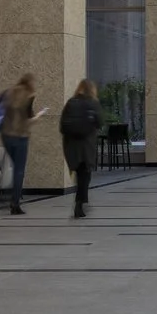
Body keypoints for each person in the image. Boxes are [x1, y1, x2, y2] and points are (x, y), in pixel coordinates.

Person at [0, 73, 46, 212]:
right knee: (19, 170)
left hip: (6, 135)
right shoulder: (29, 95)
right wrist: (40, 116)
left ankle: (11, 194)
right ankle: (15, 203)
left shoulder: (8, 93)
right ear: (30, 83)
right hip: (20, 136)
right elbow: (28, 119)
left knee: (15, 167)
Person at [58, 78, 104, 218]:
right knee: (85, 174)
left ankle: (82, 200)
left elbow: (62, 126)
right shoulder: (93, 103)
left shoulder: (71, 103)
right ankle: (80, 202)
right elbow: (100, 122)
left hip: (71, 145)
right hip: (86, 145)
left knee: (79, 173)